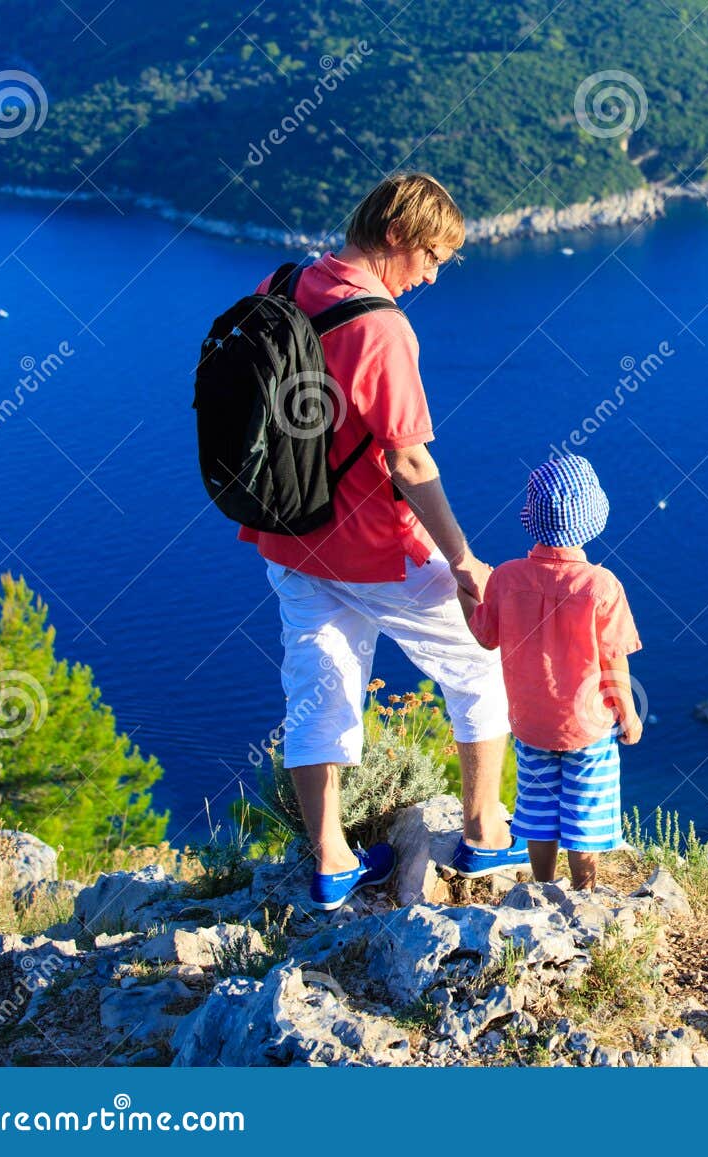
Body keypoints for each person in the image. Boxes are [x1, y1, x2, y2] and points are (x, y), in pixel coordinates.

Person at [243, 172, 527, 910]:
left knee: (319, 692)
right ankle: (485, 827)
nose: (431, 275)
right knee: (480, 662)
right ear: (397, 235)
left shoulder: (287, 282)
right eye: (431, 256)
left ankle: (333, 859)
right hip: (374, 547)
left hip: (288, 538)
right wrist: (464, 560)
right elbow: (408, 460)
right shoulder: (381, 326)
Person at [460, 455, 642, 892]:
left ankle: (542, 886)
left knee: (537, 810)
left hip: (529, 724)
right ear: (592, 518)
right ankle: (584, 892)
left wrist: (468, 591)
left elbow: (485, 636)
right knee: (586, 811)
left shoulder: (504, 578)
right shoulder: (601, 586)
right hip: (587, 726)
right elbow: (614, 659)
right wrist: (628, 712)